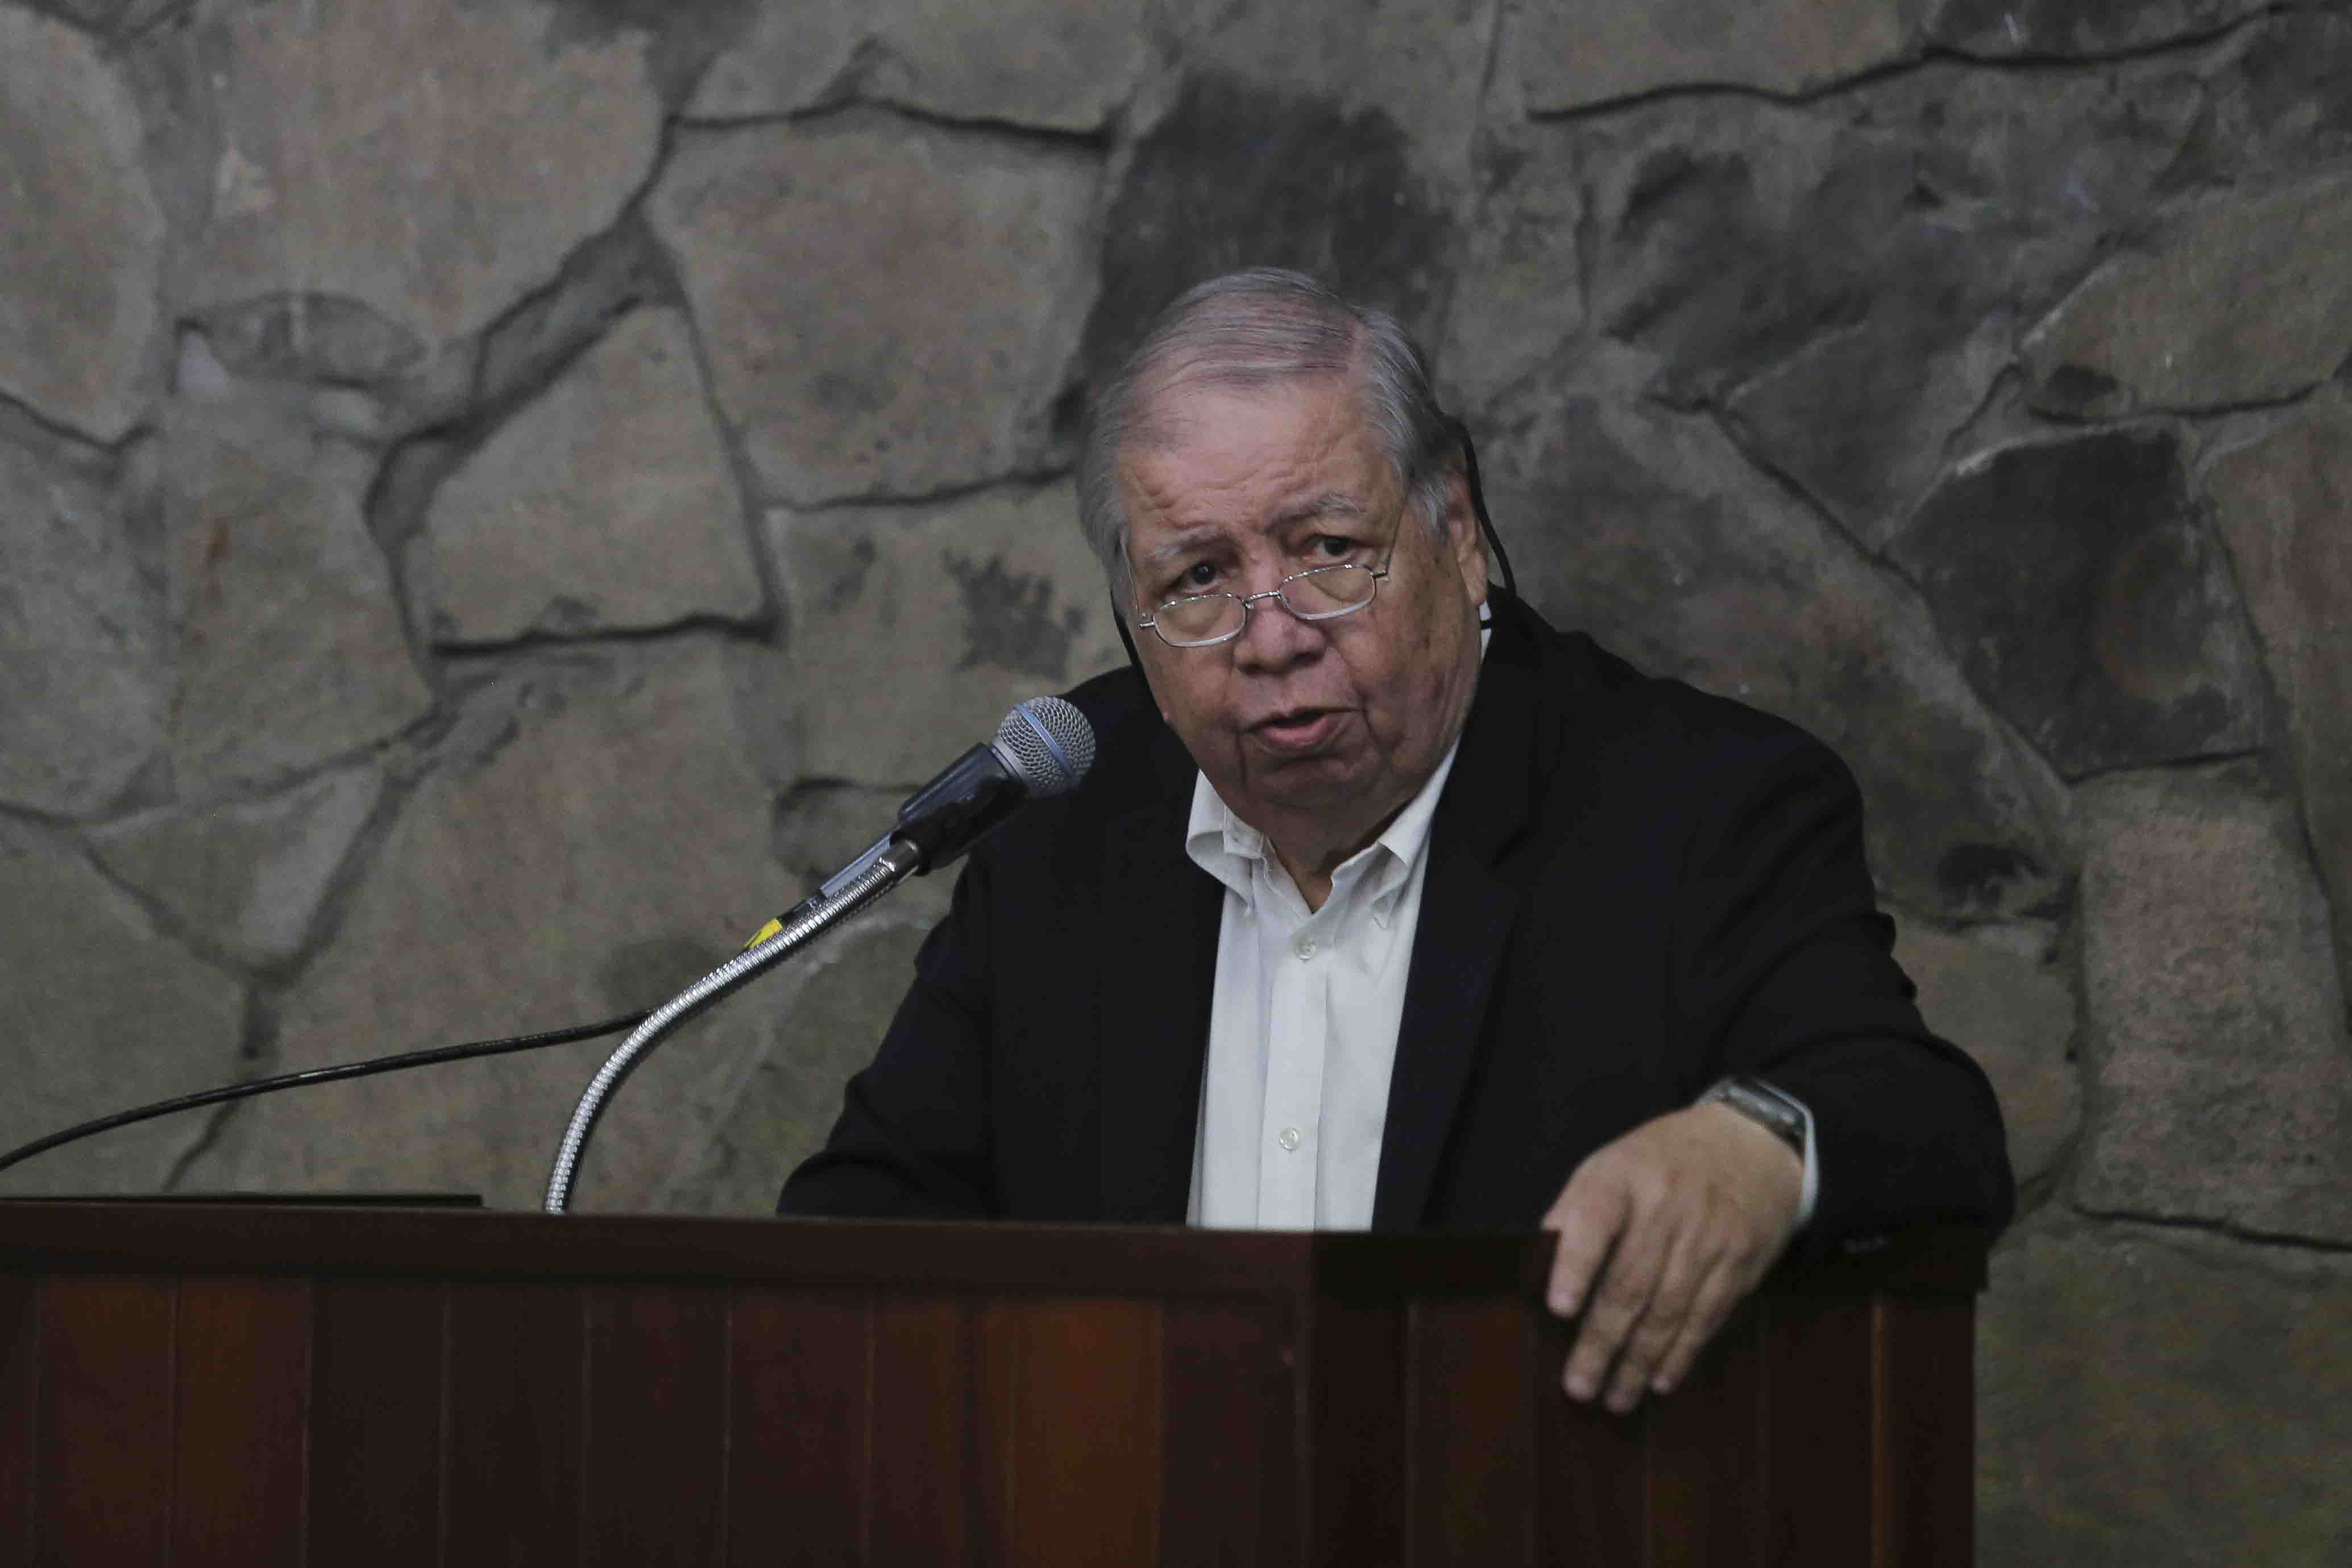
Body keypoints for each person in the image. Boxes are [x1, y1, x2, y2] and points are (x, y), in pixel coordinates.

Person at [780, 268, 2013, 1414]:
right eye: (1197, 578)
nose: (1270, 637)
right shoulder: (1065, 831)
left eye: (1328, 551)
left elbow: (1919, 1116)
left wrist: (1756, 1142)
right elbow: (862, 1221)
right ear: (1131, 616)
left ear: (1457, 530)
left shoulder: (1695, 806)